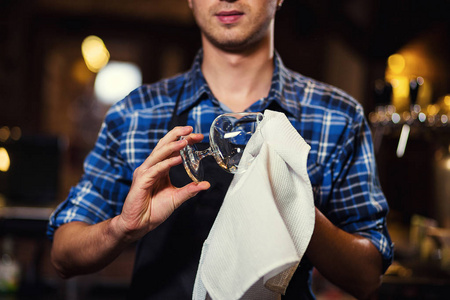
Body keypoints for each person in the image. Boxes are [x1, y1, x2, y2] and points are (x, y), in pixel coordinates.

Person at [47, 0, 393, 299]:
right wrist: (122, 227)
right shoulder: (136, 113)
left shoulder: (338, 117)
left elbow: (366, 277)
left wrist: (291, 200)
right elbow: (63, 255)